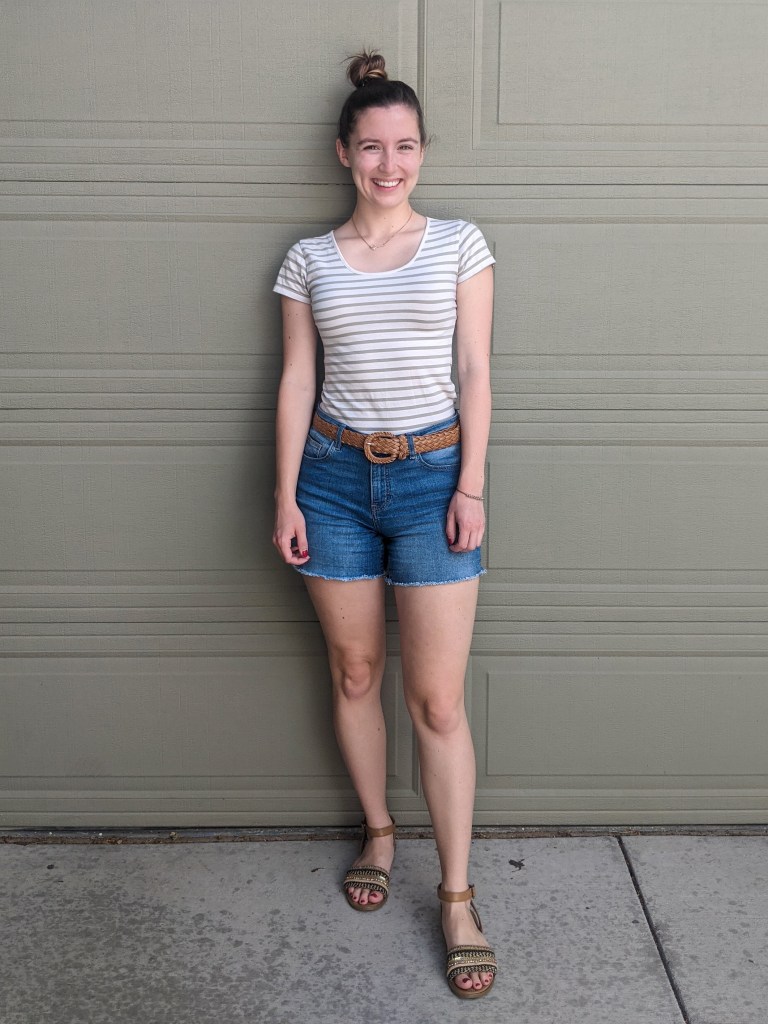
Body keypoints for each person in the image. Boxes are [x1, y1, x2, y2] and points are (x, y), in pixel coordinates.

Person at [272, 49, 496, 999]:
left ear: (422, 153)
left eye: (405, 146)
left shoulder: (459, 245)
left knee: (438, 703)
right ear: (344, 153)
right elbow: (297, 380)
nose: (389, 164)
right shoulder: (309, 261)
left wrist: (471, 486)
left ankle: (454, 895)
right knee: (356, 671)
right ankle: (378, 829)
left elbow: (477, 371)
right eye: (372, 147)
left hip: (434, 477)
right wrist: (284, 493)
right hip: (329, 482)